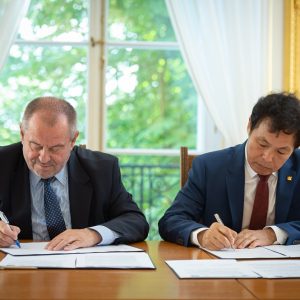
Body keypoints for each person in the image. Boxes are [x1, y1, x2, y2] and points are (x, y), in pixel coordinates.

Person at [0, 96, 149, 250]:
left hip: (83, 268)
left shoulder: (102, 168)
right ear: (22, 134)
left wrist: (92, 234)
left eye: (55, 148)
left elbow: (136, 221)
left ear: (72, 141)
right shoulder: (3, 163)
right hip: (19, 267)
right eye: (36, 146)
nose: (43, 158)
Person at [159, 92, 300, 250]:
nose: (267, 157)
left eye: (281, 152)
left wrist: (273, 234)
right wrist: (202, 235)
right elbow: (171, 220)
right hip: (221, 268)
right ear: (249, 127)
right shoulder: (209, 167)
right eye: (262, 144)